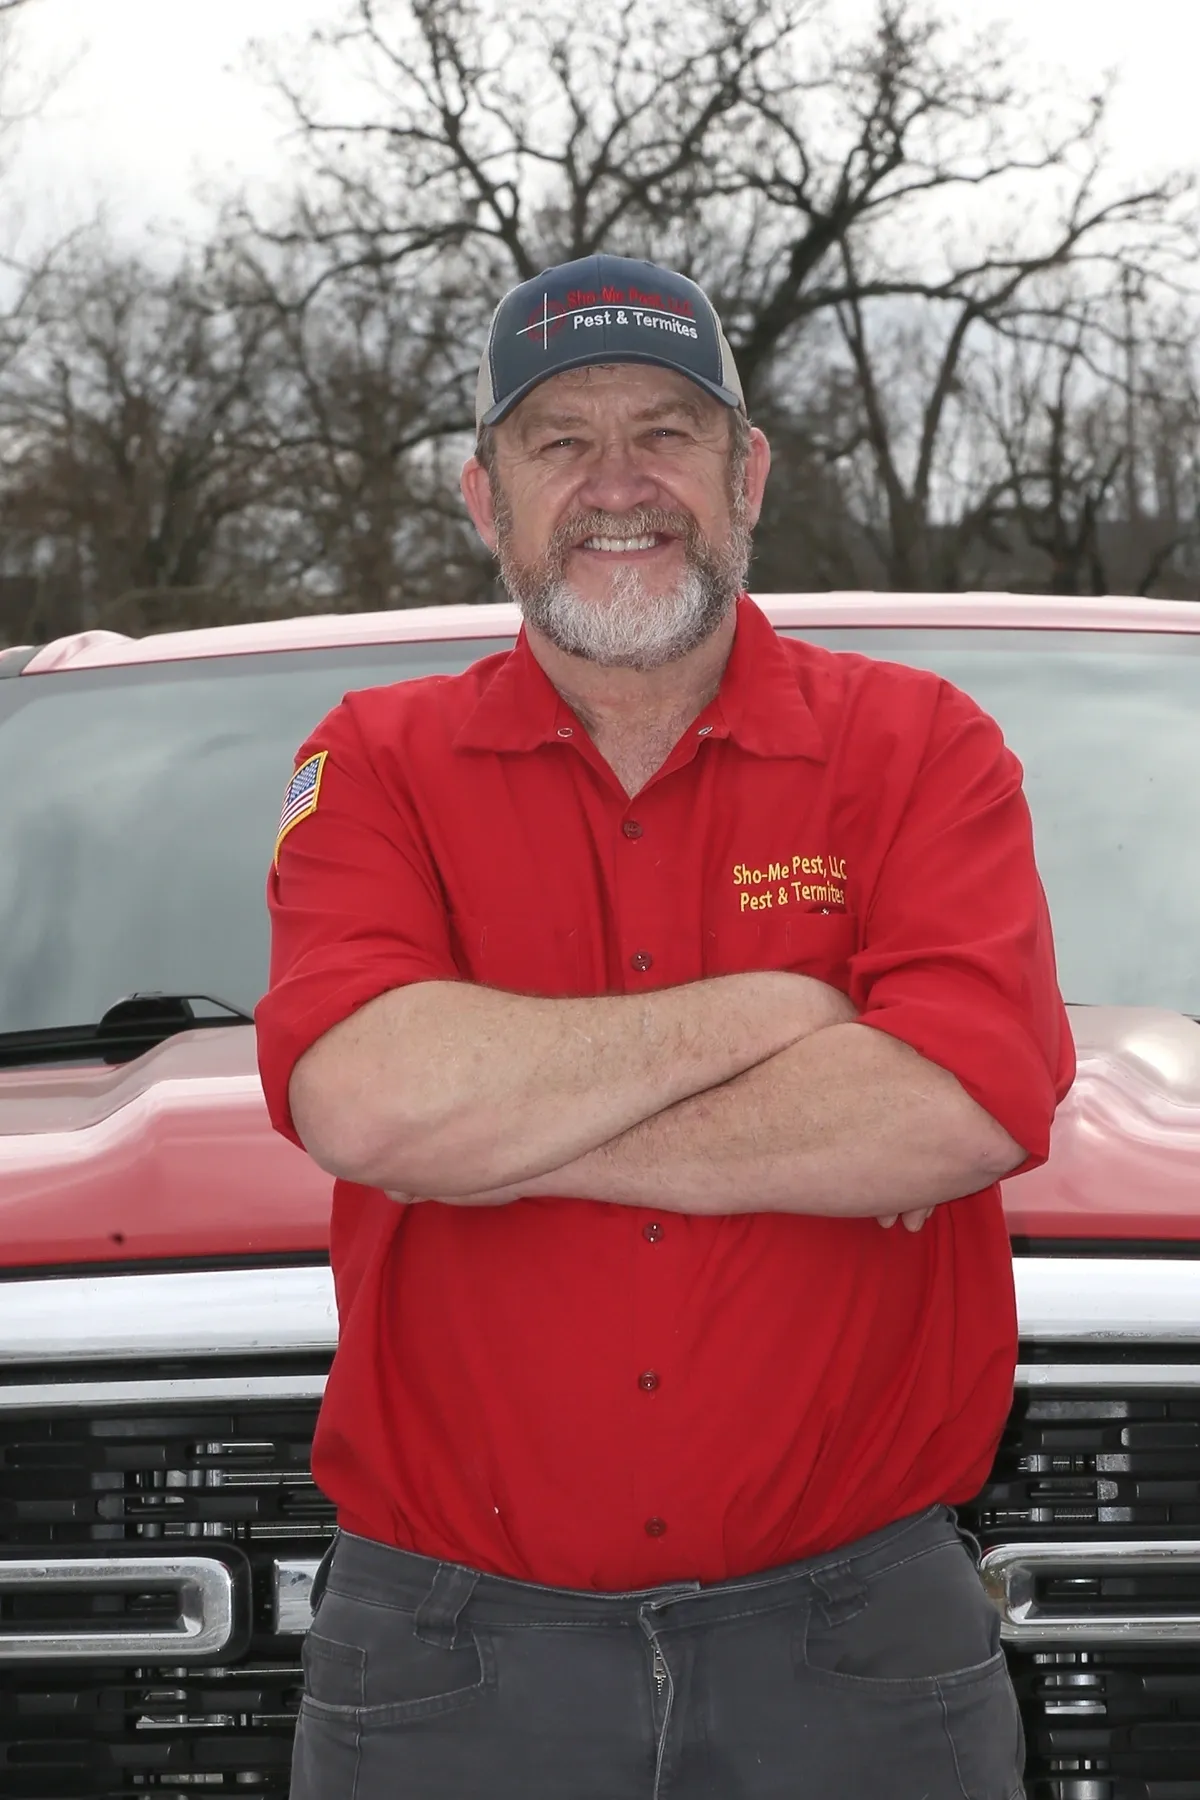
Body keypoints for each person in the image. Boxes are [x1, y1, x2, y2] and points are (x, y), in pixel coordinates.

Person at [256, 252, 1074, 1800]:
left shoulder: (921, 747)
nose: (618, 483)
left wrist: (496, 1133)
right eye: (559, 441)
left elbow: (958, 1106)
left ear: (746, 471)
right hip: (448, 1656)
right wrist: (789, 1012)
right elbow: (367, 1106)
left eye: (667, 432)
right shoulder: (372, 763)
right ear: (483, 499)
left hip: (864, 1652)